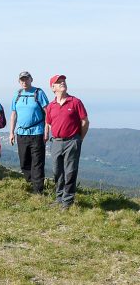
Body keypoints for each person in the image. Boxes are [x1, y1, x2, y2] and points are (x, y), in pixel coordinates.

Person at [44, 74, 89, 209]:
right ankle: (59, 198)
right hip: (56, 142)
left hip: (72, 141)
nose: (62, 83)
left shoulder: (75, 102)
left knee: (70, 171)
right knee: (57, 171)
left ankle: (67, 201)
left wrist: (79, 138)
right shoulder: (51, 106)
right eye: (59, 82)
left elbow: (85, 121)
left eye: (63, 81)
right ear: (53, 88)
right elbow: (49, 123)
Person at [9, 71, 49, 194]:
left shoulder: (39, 93)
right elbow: (13, 114)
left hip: (37, 132)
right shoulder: (17, 94)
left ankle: (38, 191)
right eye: (22, 80)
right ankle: (30, 183)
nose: (24, 82)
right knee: (24, 161)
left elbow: (48, 112)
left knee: (37, 162)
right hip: (21, 133)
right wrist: (11, 132)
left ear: (31, 79)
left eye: (26, 79)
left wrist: (47, 131)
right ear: (19, 81)